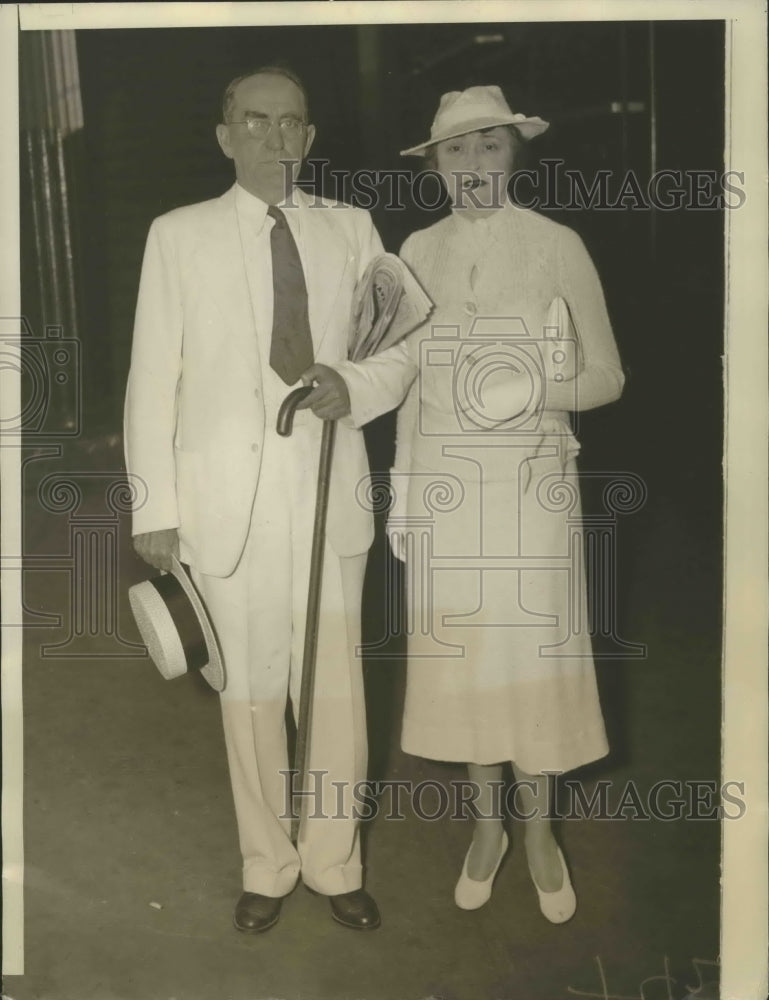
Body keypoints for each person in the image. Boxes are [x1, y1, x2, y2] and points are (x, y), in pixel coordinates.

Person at [124, 66, 416, 933]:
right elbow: (151, 380)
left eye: (291, 123)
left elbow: (399, 347)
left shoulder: (353, 228)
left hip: (328, 490)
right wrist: (154, 506)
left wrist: (352, 385)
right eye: (256, 122)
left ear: (309, 137)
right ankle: (268, 862)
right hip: (223, 504)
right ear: (225, 137)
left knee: (332, 688)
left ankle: (332, 862)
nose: (275, 138)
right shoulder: (177, 235)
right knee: (245, 689)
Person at [389, 86, 625, 922]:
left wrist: (535, 386)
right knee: (466, 669)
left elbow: (605, 376)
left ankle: (538, 835)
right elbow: (409, 386)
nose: (475, 166)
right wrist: (403, 495)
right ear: (437, 166)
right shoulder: (415, 250)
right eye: (457, 151)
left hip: (532, 488)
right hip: (448, 492)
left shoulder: (557, 245)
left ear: (513, 155)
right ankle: (486, 830)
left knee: (529, 670)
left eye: (489, 147)